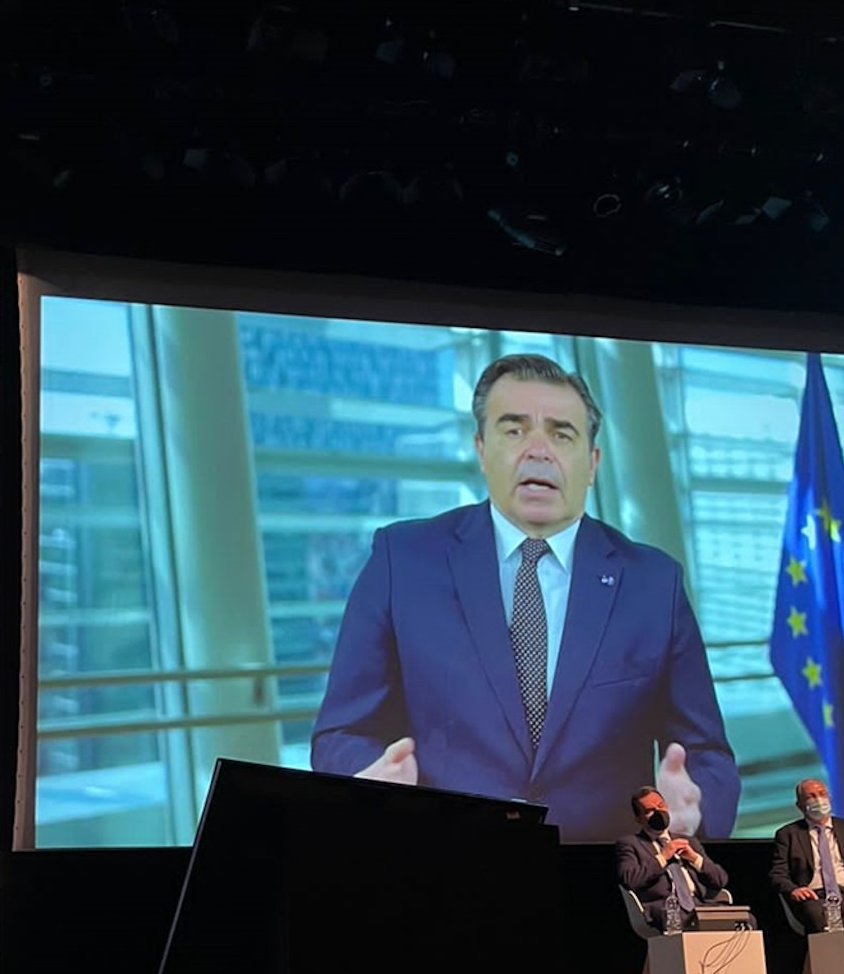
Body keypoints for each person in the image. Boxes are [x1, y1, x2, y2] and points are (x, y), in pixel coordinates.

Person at [309, 353, 740, 843]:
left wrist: (695, 811)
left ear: (592, 463)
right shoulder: (402, 560)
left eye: (562, 434)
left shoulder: (653, 582)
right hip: (443, 862)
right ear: (481, 448)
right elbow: (341, 734)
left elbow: (706, 754)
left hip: (604, 874)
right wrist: (368, 780)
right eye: (514, 430)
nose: (538, 451)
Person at [770, 777, 844, 931]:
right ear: (800, 805)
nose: (818, 800)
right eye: (811, 796)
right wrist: (793, 890)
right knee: (819, 916)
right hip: (816, 897)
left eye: (822, 794)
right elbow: (778, 874)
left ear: (829, 798)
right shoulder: (788, 834)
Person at [615, 785, 729, 932]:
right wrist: (663, 857)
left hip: (699, 907)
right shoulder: (630, 844)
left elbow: (720, 880)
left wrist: (695, 858)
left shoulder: (689, 841)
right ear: (638, 818)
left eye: (661, 806)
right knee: (682, 919)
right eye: (650, 811)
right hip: (665, 910)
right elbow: (630, 880)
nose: (658, 812)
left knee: (745, 920)